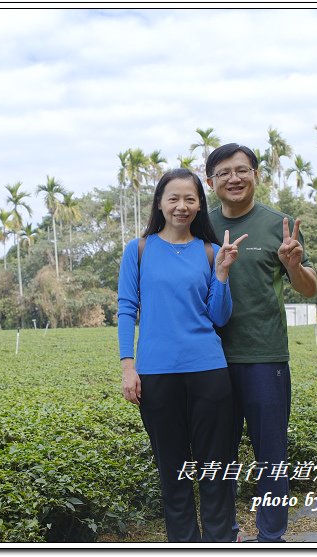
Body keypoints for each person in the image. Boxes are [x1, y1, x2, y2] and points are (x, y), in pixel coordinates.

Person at [117, 168, 247, 542]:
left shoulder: (209, 251)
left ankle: (220, 541)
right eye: (173, 198)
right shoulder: (138, 250)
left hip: (209, 371)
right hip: (156, 376)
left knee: (214, 468)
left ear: (199, 205)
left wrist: (221, 273)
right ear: (160, 202)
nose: (181, 206)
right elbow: (127, 309)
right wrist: (129, 367)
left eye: (190, 199)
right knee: (173, 471)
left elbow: (219, 316)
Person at [206, 143, 317, 543]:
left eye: (241, 170)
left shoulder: (279, 225)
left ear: (256, 175)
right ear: (211, 181)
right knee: (217, 458)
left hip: (264, 356)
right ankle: (223, 536)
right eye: (224, 173)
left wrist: (293, 265)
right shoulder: (200, 225)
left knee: (271, 454)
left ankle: (271, 538)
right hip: (208, 360)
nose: (233, 178)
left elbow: (308, 289)